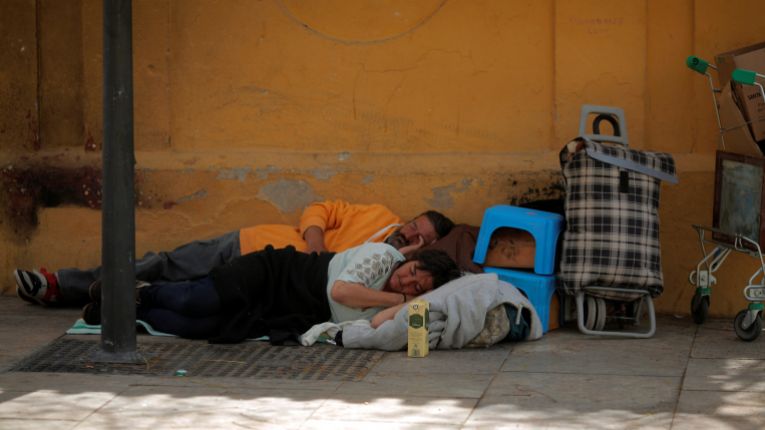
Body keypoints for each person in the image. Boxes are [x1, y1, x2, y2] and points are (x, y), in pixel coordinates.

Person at [13, 200, 455, 308]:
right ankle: (60, 284)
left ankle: (97, 299)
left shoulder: (394, 268)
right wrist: (315, 242)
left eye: (422, 237)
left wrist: (405, 251)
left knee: (177, 291)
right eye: (414, 224)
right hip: (252, 245)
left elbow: (349, 282)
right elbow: (319, 208)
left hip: (267, 282)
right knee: (164, 263)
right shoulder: (378, 214)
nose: (410, 232)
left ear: (428, 246)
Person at [83, 242, 461, 344]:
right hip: (277, 274)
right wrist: (400, 299)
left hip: (287, 310)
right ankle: (137, 291)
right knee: (198, 301)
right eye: (413, 272)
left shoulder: (407, 300)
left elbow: (378, 324)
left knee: (200, 327)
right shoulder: (384, 256)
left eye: (417, 287)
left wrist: (416, 304)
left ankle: (125, 313)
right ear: (410, 260)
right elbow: (342, 291)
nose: (407, 282)